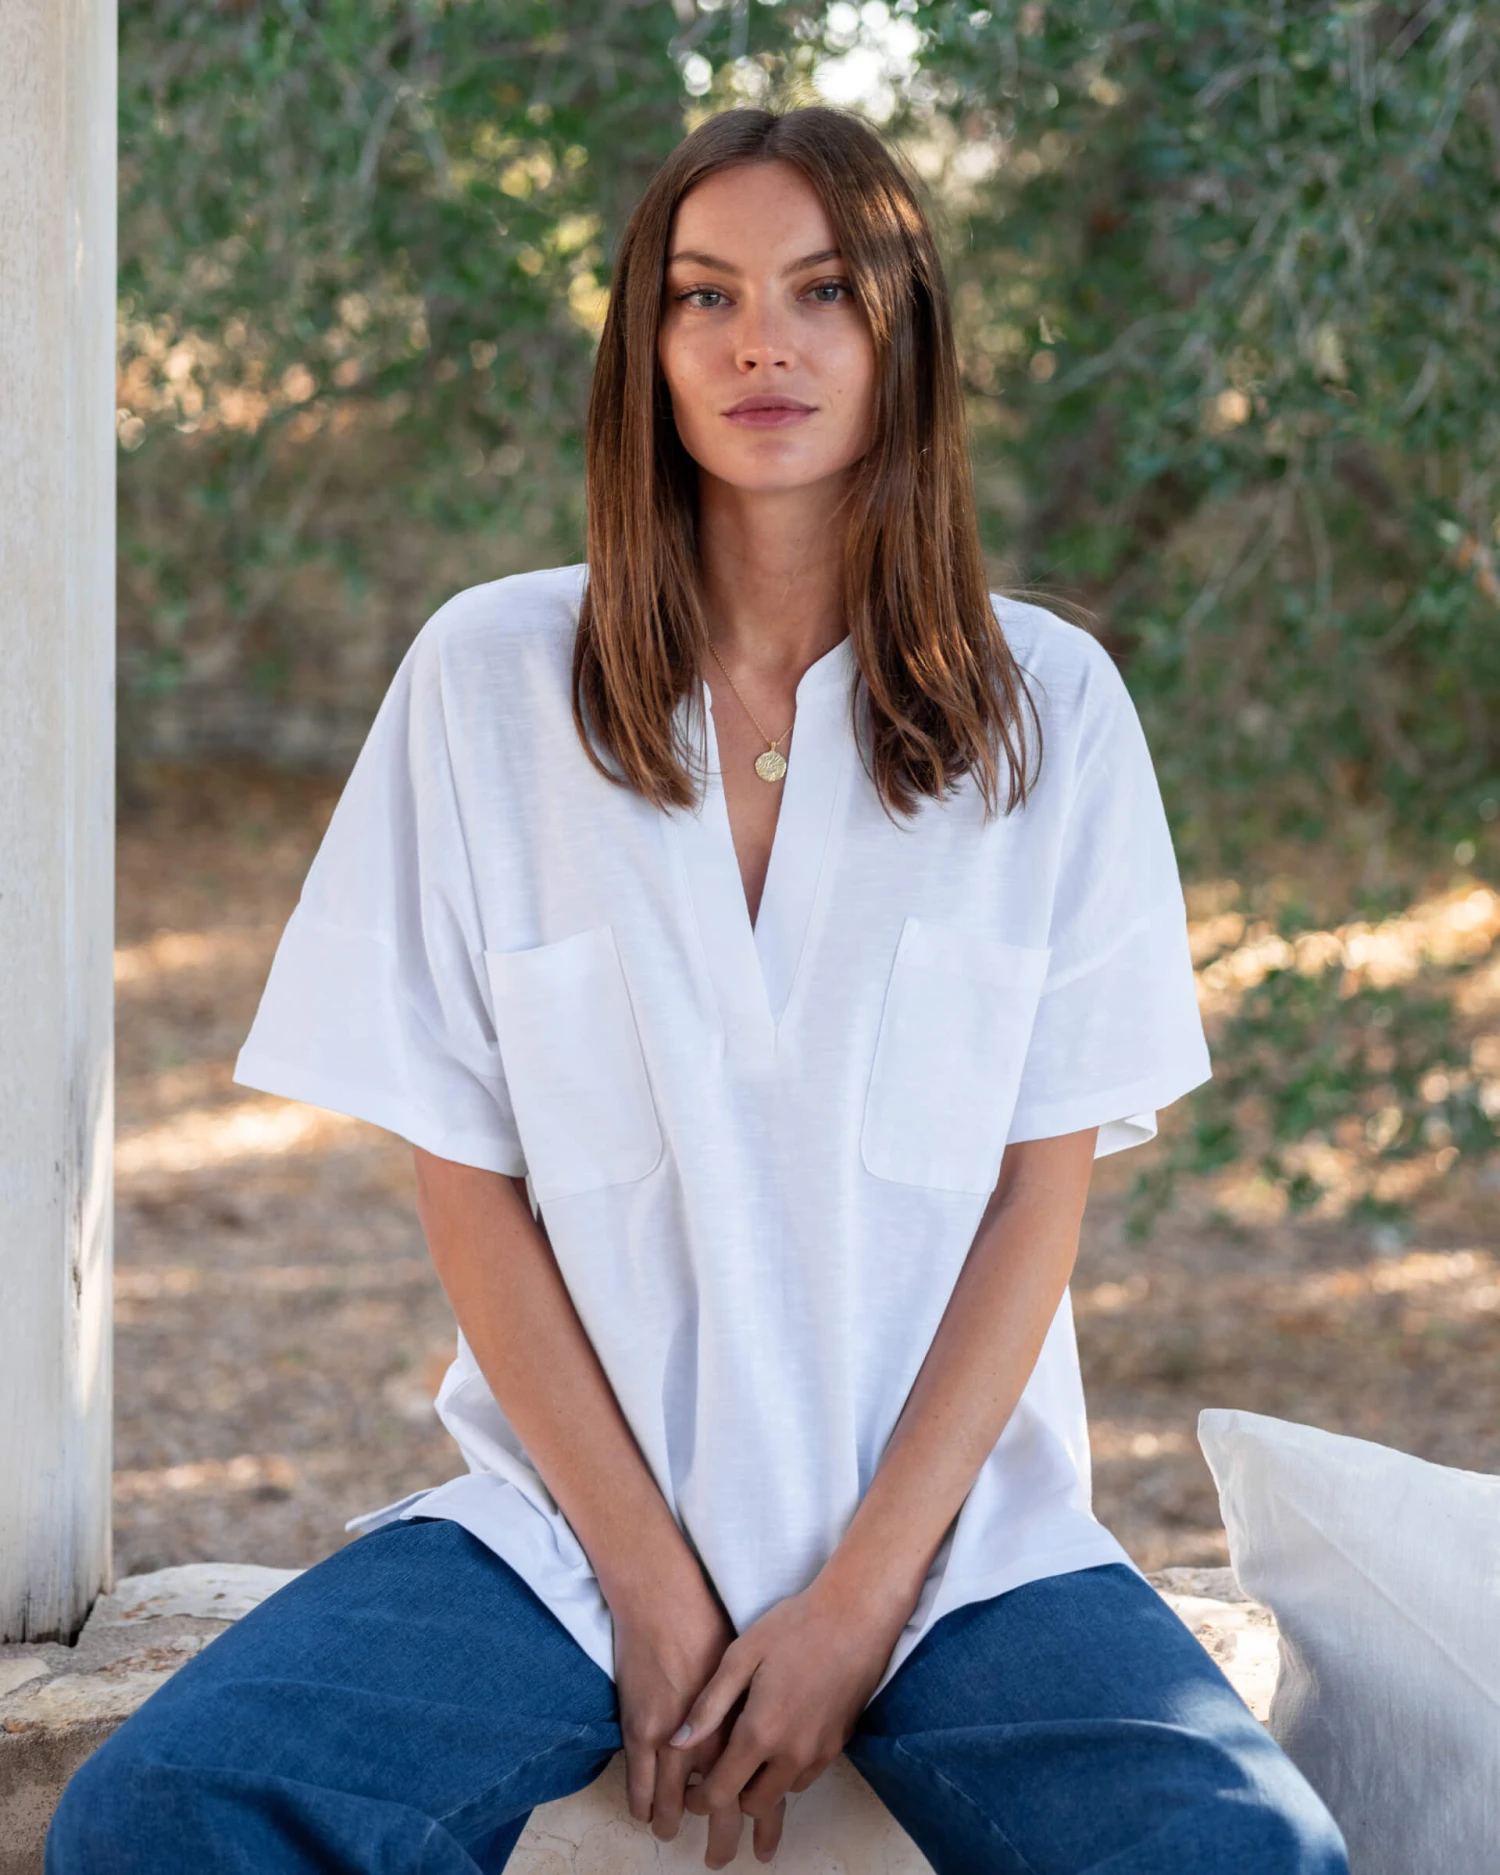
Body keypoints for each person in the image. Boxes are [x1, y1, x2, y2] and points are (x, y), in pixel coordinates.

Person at [48, 105, 1348, 1875]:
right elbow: (469, 1185)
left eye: (823, 291)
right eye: (704, 294)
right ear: (644, 350)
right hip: (565, 1545)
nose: (760, 342)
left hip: (961, 1554)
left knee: (1247, 1855)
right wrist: (651, 1582)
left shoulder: (1049, 711)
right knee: (164, 1810)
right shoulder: (489, 682)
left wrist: (860, 1602)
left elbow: (1036, 1202)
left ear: (902, 337)